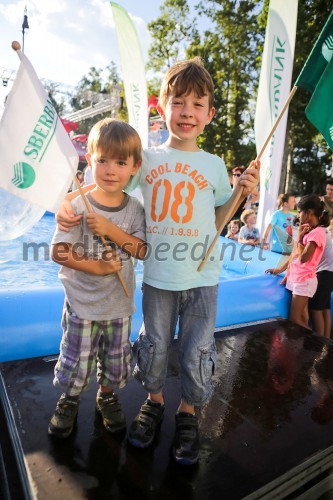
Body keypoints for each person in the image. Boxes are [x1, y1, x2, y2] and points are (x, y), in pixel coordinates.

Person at [56, 57, 259, 464]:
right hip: (159, 275)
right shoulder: (146, 158)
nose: (187, 112)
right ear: (162, 107)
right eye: (179, 102)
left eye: (197, 104)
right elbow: (104, 185)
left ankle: (188, 411)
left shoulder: (215, 165)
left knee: (198, 347)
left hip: (203, 274)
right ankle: (154, 401)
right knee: (155, 342)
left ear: (210, 115)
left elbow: (219, 220)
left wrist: (240, 194)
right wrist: (68, 203)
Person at [48, 118, 146, 439]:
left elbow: (141, 250)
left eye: (120, 162)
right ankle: (70, 399)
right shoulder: (77, 204)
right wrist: (99, 266)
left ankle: (107, 394)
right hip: (82, 303)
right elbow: (59, 252)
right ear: (89, 160)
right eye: (101, 159)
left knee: (116, 359)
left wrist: (111, 231)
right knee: (76, 357)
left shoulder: (133, 210)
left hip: (118, 305)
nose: (110, 169)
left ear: (134, 166)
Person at [266, 195, 329, 329]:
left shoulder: (317, 233)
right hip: (298, 278)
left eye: (300, 212)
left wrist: (300, 238)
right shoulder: (309, 230)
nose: (298, 215)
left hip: (304, 280)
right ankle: (304, 347)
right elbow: (294, 255)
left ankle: (315, 347)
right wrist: (279, 270)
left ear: (309, 213)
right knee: (303, 318)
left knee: (295, 319)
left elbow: (304, 257)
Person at [309, 227, 333, 339]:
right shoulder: (326, 232)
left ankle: (319, 342)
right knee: (325, 307)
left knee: (316, 309)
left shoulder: (319, 232)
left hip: (324, 273)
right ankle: (326, 339)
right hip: (329, 273)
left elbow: (304, 256)